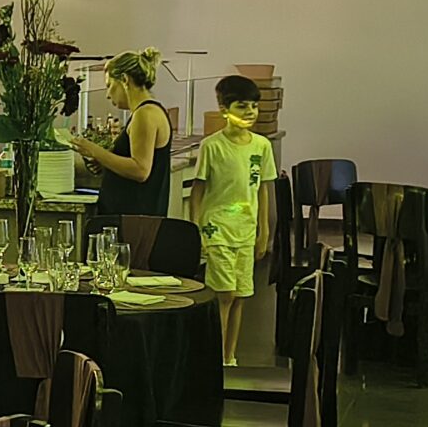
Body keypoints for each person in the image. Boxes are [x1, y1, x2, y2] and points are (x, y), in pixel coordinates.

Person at [188, 74, 277, 366]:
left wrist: (264, 231)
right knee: (224, 294)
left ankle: (230, 357)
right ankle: (214, 360)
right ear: (224, 109)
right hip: (217, 229)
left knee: (240, 295)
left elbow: (262, 190)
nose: (250, 112)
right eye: (242, 106)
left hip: (246, 230)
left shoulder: (262, 146)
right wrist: (197, 228)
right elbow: (198, 190)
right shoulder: (212, 146)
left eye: (253, 106)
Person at [68, 47, 173, 217]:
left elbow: (140, 170)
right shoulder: (143, 113)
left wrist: (95, 150)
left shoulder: (145, 114)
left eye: (110, 85)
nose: (108, 95)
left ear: (125, 80)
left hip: (134, 219)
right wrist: (104, 163)